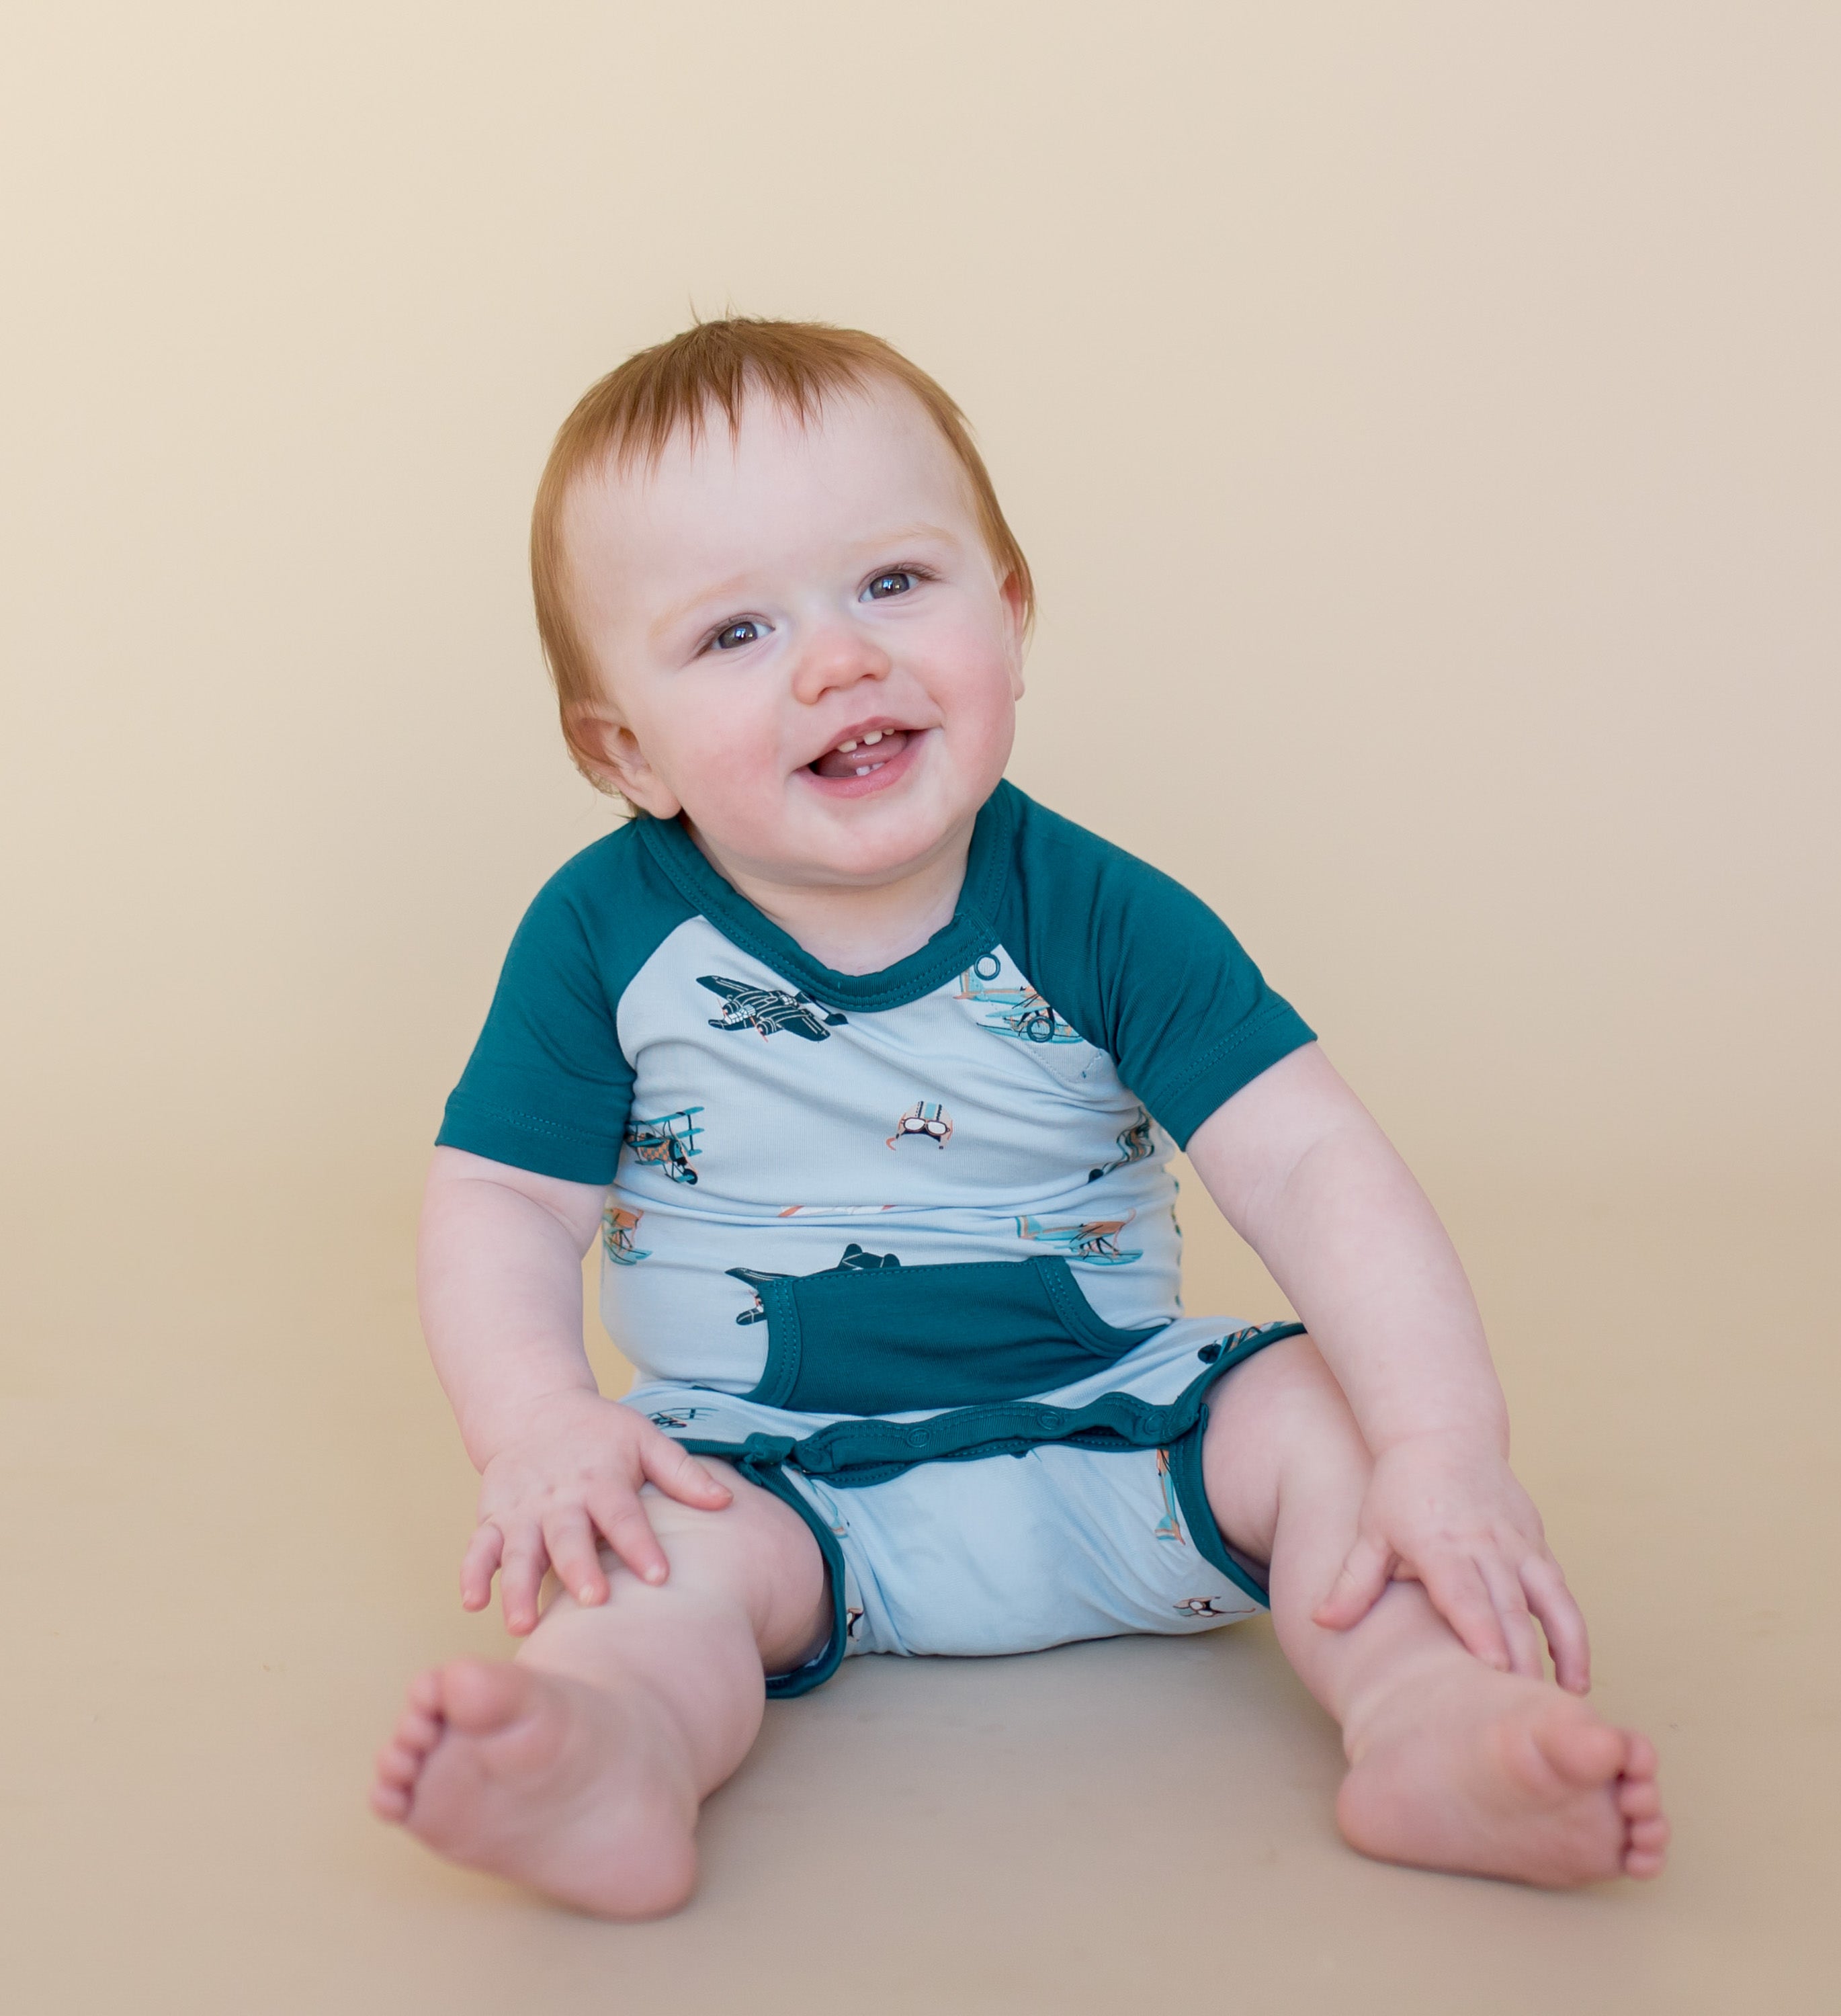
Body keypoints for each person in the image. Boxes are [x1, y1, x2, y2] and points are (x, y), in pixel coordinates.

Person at [368, 318, 1667, 1915]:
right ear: (623, 750)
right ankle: (615, 1751)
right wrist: (542, 1428)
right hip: (769, 1476)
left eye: (894, 584)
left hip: (1128, 1425)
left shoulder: (1102, 913)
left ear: (1014, 611)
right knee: (642, 1562)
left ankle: (1430, 1719)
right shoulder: (603, 936)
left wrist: (1444, 1446)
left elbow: (1312, 1161)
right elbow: (502, 1203)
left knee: (1334, 1420)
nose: (839, 662)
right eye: (734, 636)